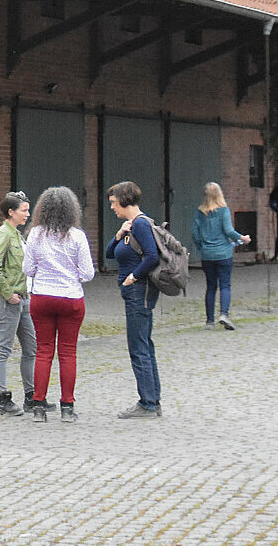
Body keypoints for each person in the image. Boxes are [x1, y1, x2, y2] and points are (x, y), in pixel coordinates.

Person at [21, 186, 94, 424]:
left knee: (43, 351)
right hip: (70, 298)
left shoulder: (35, 234)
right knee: (67, 352)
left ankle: (39, 405)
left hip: (42, 297)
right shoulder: (77, 236)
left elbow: (28, 269)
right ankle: (67, 406)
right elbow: (88, 273)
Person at [107, 180, 163, 419]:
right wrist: (119, 234)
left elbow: (152, 257)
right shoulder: (132, 226)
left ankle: (148, 403)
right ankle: (152, 399)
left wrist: (132, 277)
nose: (111, 207)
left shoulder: (141, 225)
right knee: (144, 345)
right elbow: (110, 254)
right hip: (135, 293)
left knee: (138, 347)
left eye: (113, 202)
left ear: (124, 200)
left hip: (138, 292)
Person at [0, 191, 35, 417]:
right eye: (24, 210)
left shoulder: (16, 234)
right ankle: (2, 398)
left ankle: (32, 395)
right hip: (8, 300)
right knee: (3, 348)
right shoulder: (3, 234)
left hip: (23, 298)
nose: (27, 214)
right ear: (10, 212)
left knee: (31, 347)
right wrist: (8, 294)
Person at [192, 181, 250, 329]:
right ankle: (224, 314)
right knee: (225, 285)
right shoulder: (223, 210)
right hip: (223, 253)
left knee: (211, 286)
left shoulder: (199, 212)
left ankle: (209, 321)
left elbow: (195, 235)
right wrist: (242, 238)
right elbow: (228, 231)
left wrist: (202, 248)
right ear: (219, 194)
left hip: (207, 255)